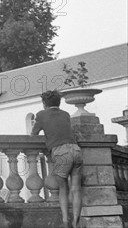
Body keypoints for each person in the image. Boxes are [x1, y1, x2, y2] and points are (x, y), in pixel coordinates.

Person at [31, 90, 83, 228]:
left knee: (63, 188)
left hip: (61, 152)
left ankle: (66, 221)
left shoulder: (41, 115)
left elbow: (34, 133)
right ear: (58, 102)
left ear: (44, 104)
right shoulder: (65, 114)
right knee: (76, 188)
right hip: (76, 150)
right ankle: (76, 222)